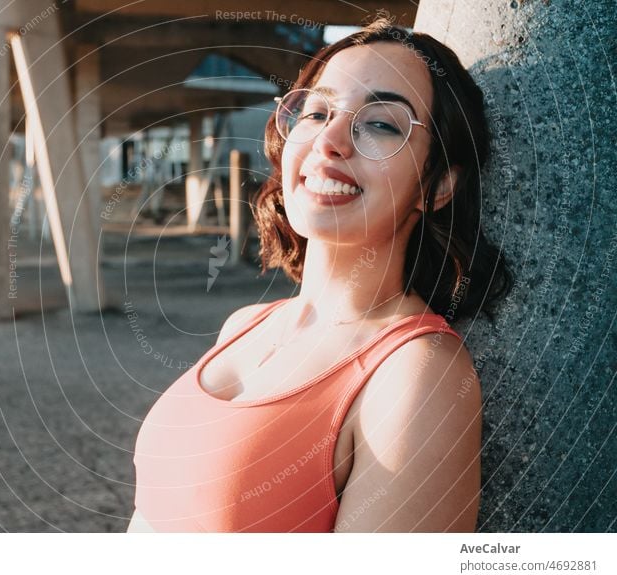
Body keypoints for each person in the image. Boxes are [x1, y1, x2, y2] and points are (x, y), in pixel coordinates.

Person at [128, 17, 512, 533]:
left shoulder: (415, 374)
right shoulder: (245, 324)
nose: (329, 139)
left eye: (381, 123)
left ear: (437, 185)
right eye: (316, 111)